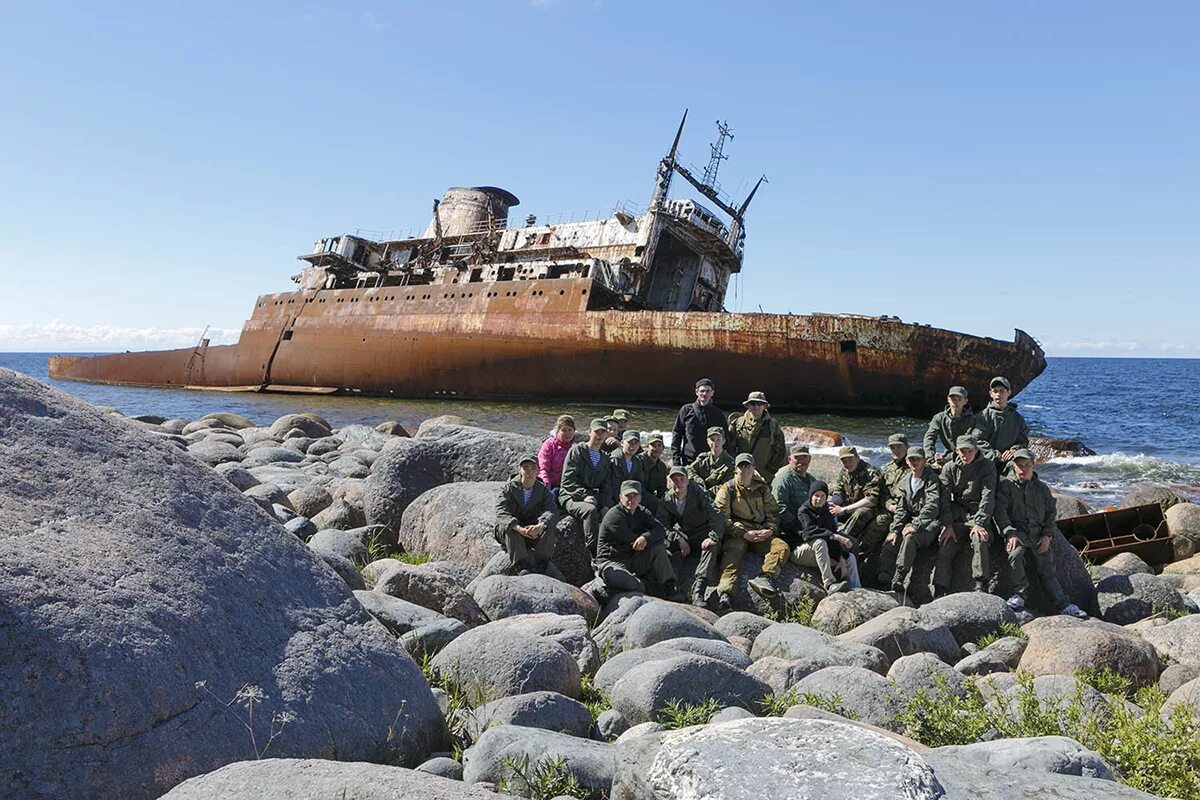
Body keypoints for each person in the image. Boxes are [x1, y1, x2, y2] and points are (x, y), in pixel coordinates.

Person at [994, 449, 1088, 618]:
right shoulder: (1006, 487)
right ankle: (1020, 595)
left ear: (1033, 466)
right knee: (1015, 555)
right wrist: (1009, 533)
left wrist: (1047, 535)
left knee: (1047, 569)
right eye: (1019, 466)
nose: (1022, 469)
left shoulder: (1042, 489)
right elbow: (1000, 513)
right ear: (1014, 466)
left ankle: (1063, 605)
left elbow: (1051, 514)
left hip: (1038, 535)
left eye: (1026, 466)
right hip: (1019, 532)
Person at [714, 453, 790, 609]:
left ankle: (766, 576)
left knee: (781, 547)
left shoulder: (762, 489)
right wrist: (743, 533)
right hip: (738, 533)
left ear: (754, 468)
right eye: (741, 466)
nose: (745, 469)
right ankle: (725, 594)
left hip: (760, 531)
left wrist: (770, 530)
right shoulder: (728, 489)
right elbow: (721, 518)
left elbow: (774, 513)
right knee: (732, 557)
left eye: (748, 465)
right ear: (735, 469)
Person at [877, 447, 953, 598]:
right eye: (911, 459)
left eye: (918, 459)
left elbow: (932, 506)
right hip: (912, 521)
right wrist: (894, 530)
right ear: (907, 461)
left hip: (930, 524)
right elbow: (901, 509)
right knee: (889, 542)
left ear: (924, 461)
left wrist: (915, 525)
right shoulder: (905, 481)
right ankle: (883, 579)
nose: (914, 462)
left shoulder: (931, 479)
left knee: (910, 539)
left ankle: (900, 576)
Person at [594, 480, 683, 601]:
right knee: (626, 580)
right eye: (627, 496)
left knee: (658, 550)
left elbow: (660, 529)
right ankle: (646, 587)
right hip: (612, 562)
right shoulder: (614, 516)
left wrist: (645, 537)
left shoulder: (642, 511)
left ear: (640, 498)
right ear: (620, 497)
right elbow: (634, 542)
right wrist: (656, 540)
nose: (631, 500)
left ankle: (669, 588)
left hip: (633, 558)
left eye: (634, 496)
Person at [657, 466, 726, 606]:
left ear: (688, 480)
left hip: (703, 533)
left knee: (711, 547)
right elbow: (662, 524)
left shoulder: (698, 492)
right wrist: (678, 538)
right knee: (663, 547)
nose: (679, 483)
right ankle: (669, 588)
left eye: (682, 479)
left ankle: (698, 591)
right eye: (675, 480)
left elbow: (716, 514)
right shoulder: (666, 499)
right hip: (685, 535)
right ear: (670, 482)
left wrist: (713, 536)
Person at [939, 435, 997, 592]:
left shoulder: (987, 466)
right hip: (958, 513)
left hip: (979, 511)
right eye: (962, 451)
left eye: (969, 451)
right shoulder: (949, 468)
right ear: (956, 451)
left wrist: (980, 522)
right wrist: (948, 524)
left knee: (980, 539)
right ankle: (939, 587)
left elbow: (988, 495)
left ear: (976, 450)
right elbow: (944, 499)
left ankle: (980, 583)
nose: (965, 455)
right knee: (946, 542)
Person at [560, 417, 619, 554]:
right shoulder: (577, 451)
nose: (599, 436)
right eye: (596, 432)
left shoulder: (604, 458)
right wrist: (584, 495)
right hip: (571, 495)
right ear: (589, 432)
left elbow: (606, 487)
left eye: (602, 432)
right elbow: (567, 481)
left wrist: (604, 505)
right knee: (590, 510)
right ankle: (593, 550)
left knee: (612, 512)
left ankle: (614, 549)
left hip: (594, 495)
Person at [830, 446, 887, 582]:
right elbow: (839, 491)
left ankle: (843, 546)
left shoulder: (870, 472)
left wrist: (844, 509)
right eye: (844, 461)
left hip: (872, 508)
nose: (847, 464)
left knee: (860, 514)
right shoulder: (844, 471)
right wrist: (833, 504)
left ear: (857, 458)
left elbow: (871, 499)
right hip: (850, 506)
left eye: (850, 460)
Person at [495, 454, 559, 574]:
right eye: (525, 467)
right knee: (510, 528)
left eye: (533, 468)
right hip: (513, 530)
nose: (529, 471)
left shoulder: (543, 490)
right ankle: (521, 564)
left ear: (538, 470)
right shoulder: (508, 488)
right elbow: (501, 511)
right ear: (519, 469)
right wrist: (518, 528)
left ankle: (541, 562)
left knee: (550, 527)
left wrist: (541, 525)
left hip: (532, 530)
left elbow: (552, 511)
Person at [793, 480, 860, 593]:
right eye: (816, 495)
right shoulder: (803, 511)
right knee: (820, 542)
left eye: (822, 496)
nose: (819, 499)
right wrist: (837, 537)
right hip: (799, 551)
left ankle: (857, 589)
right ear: (811, 496)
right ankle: (829, 584)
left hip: (819, 554)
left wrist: (841, 558)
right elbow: (808, 533)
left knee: (850, 558)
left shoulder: (826, 511)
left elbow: (831, 535)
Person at [971, 376, 1031, 467]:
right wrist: (997, 456)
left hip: (1009, 461)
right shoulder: (983, 416)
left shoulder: (1017, 418)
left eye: (1002, 391)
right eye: (995, 391)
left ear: (1009, 392)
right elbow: (977, 440)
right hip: (986, 461)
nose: (998, 394)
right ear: (991, 394)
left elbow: (1023, 441)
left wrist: (1014, 450)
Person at [727, 391, 788, 476]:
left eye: (759, 404)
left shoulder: (773, 426)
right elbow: (730, 448)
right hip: (743, 473)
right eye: (753, 403)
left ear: (764, 406)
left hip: (765, 475)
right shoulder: (738, 423)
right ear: (747, 405)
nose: (756, 407)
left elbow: (781, 450)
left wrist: (771, 468)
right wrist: (737, 466)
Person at [671, 378, 727, 467]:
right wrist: (676, 460)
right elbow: (677, 435)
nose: (704, 394)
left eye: (708, 391)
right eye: (702, 391)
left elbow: (725, 438)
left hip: (710, 462)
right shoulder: (685, 410)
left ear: (712, 393)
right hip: (688, 460)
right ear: (697, 392)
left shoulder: (718, 414)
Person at [924, 386, 975, 470]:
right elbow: (929, 438)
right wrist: (931, 458)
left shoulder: (972, 420)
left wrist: (947, 458)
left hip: (966, 456)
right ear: (948, 399)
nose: (956, 402)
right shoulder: (939, 418)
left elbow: (969, 444)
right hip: (946, 454)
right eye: (953, 399)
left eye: (959, 399)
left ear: (965, 401)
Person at [610, 430, 655, 512]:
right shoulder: (615, 459)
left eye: (636, 443)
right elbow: (613, 485)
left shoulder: (637, 461)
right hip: (617, 497)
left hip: (633, 495)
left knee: (655, 502)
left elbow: (640, 482)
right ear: (622, 443)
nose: (632, 446)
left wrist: (638, 499)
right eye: (630, 443)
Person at [537, 414, 576, 498]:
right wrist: (545, 481)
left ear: (574, 430)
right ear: (558, 431)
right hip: (551, 483)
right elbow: (543, 465)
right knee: (553, 494)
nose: (567, 433)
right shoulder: (550, 444)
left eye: (570, 430)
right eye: (564, 430)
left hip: (569, 485)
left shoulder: (577, 446)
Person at [687, 427, 736, 494]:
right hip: (699, 494)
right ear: (707, 441)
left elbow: (726, 485)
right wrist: (699, 480)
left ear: (723, 441)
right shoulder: (703, 458)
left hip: (718, 496)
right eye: (712, 440)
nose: (715, 443)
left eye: (718, 439)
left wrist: (706, 493)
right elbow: (688, 470)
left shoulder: (729, 462)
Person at [880, 433, 910, 523]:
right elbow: (882, 492)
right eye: (893, 448)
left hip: (909, 510)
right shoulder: (888, 468)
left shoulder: (915, 465)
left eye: (899, 447)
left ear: (907, 447)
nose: (896, 450)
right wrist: (889, 505)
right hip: (892, 509)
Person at [640, 432, 669, 500]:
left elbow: (662, 488)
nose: (656, 448)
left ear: (663, 448)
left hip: (651, 496)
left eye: (659, 445)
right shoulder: (639, 461)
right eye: (653, 445)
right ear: (647, 447)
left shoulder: (662, 466)